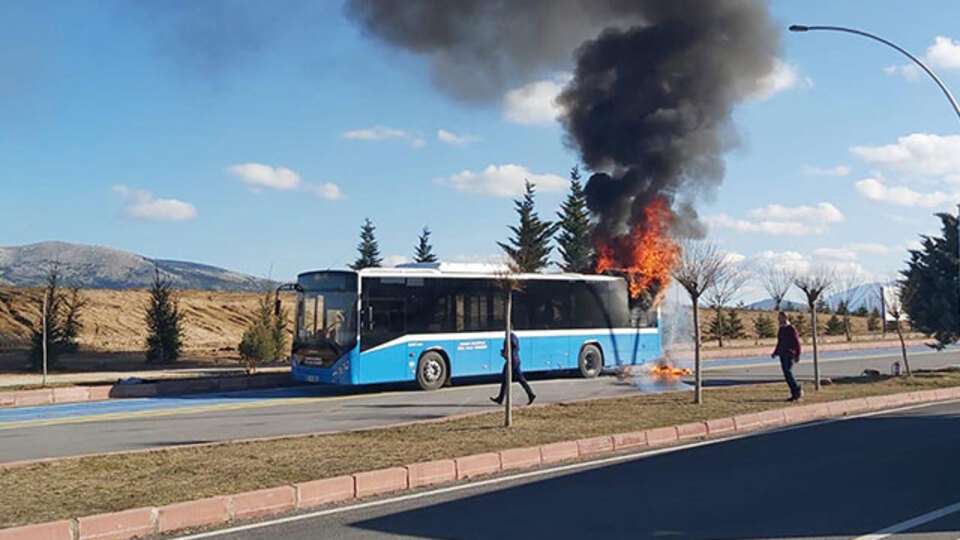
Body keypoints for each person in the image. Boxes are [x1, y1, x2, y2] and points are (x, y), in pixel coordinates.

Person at [490, 331, 536, 406]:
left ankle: (500, 398)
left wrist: (507, 352)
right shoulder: (512, 336)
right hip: (514, 360)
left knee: (506, 378)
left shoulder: (511, 336)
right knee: (520, 379)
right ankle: (531, 394)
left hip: (512, 361)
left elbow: (514, 346)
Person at [772, 312, 803, 401]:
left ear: (786, 318)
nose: (779, 319)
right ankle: (794, 391)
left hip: (790, 354)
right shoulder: (781, 329)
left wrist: (797, 354)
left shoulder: (791, 329)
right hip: (782, 354)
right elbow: (780, 342)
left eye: (781, 318)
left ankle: (796, 390)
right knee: (786, 373)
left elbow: (797, 343)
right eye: (779, 318)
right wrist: (775, 352)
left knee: (788, 372)